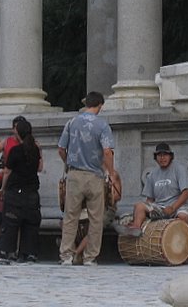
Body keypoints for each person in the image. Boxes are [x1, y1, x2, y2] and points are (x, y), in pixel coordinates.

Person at [58, 91, 116, 266]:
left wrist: (68, 163)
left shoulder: (72, 123)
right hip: (94, 176)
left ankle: (66, 255)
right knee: (96, 218)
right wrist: (111, 173)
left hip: (74, 174)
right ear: (100, 105)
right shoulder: (102, 125)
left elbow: (61, 148)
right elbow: (107, 151)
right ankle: (90, 256)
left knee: (70, 217)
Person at [117, 142, 188, 237]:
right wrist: (144, 212)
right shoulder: (152, 174)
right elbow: (150, 200)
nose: (162, 158)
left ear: (170, 156)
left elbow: (186, 193)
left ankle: (184, 243)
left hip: (179, 207)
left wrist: (173, 208)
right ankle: (135, 229)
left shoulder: (179, 169)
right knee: (139, 206)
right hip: (160, 208)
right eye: (159, 155)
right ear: (155, 158)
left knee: (183, 217)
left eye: (165, 155)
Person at [0, 118, 42, 264]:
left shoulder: (16, 150)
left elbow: (7, 172)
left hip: (16, 191)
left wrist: (3, 188)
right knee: (31, 223)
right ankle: (29, 253)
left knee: (11, 222)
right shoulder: (35, 149)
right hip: (32, 191)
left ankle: (6, 251)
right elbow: (40, 168)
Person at [73, 168, 122, 265]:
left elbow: (117, 196)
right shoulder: (89, 172)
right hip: (90, 207)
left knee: (97, 223)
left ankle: (76, 252)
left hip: (106, 209)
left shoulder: (113, 174)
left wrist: (105, 193)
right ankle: (75, 251)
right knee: (68, 219)